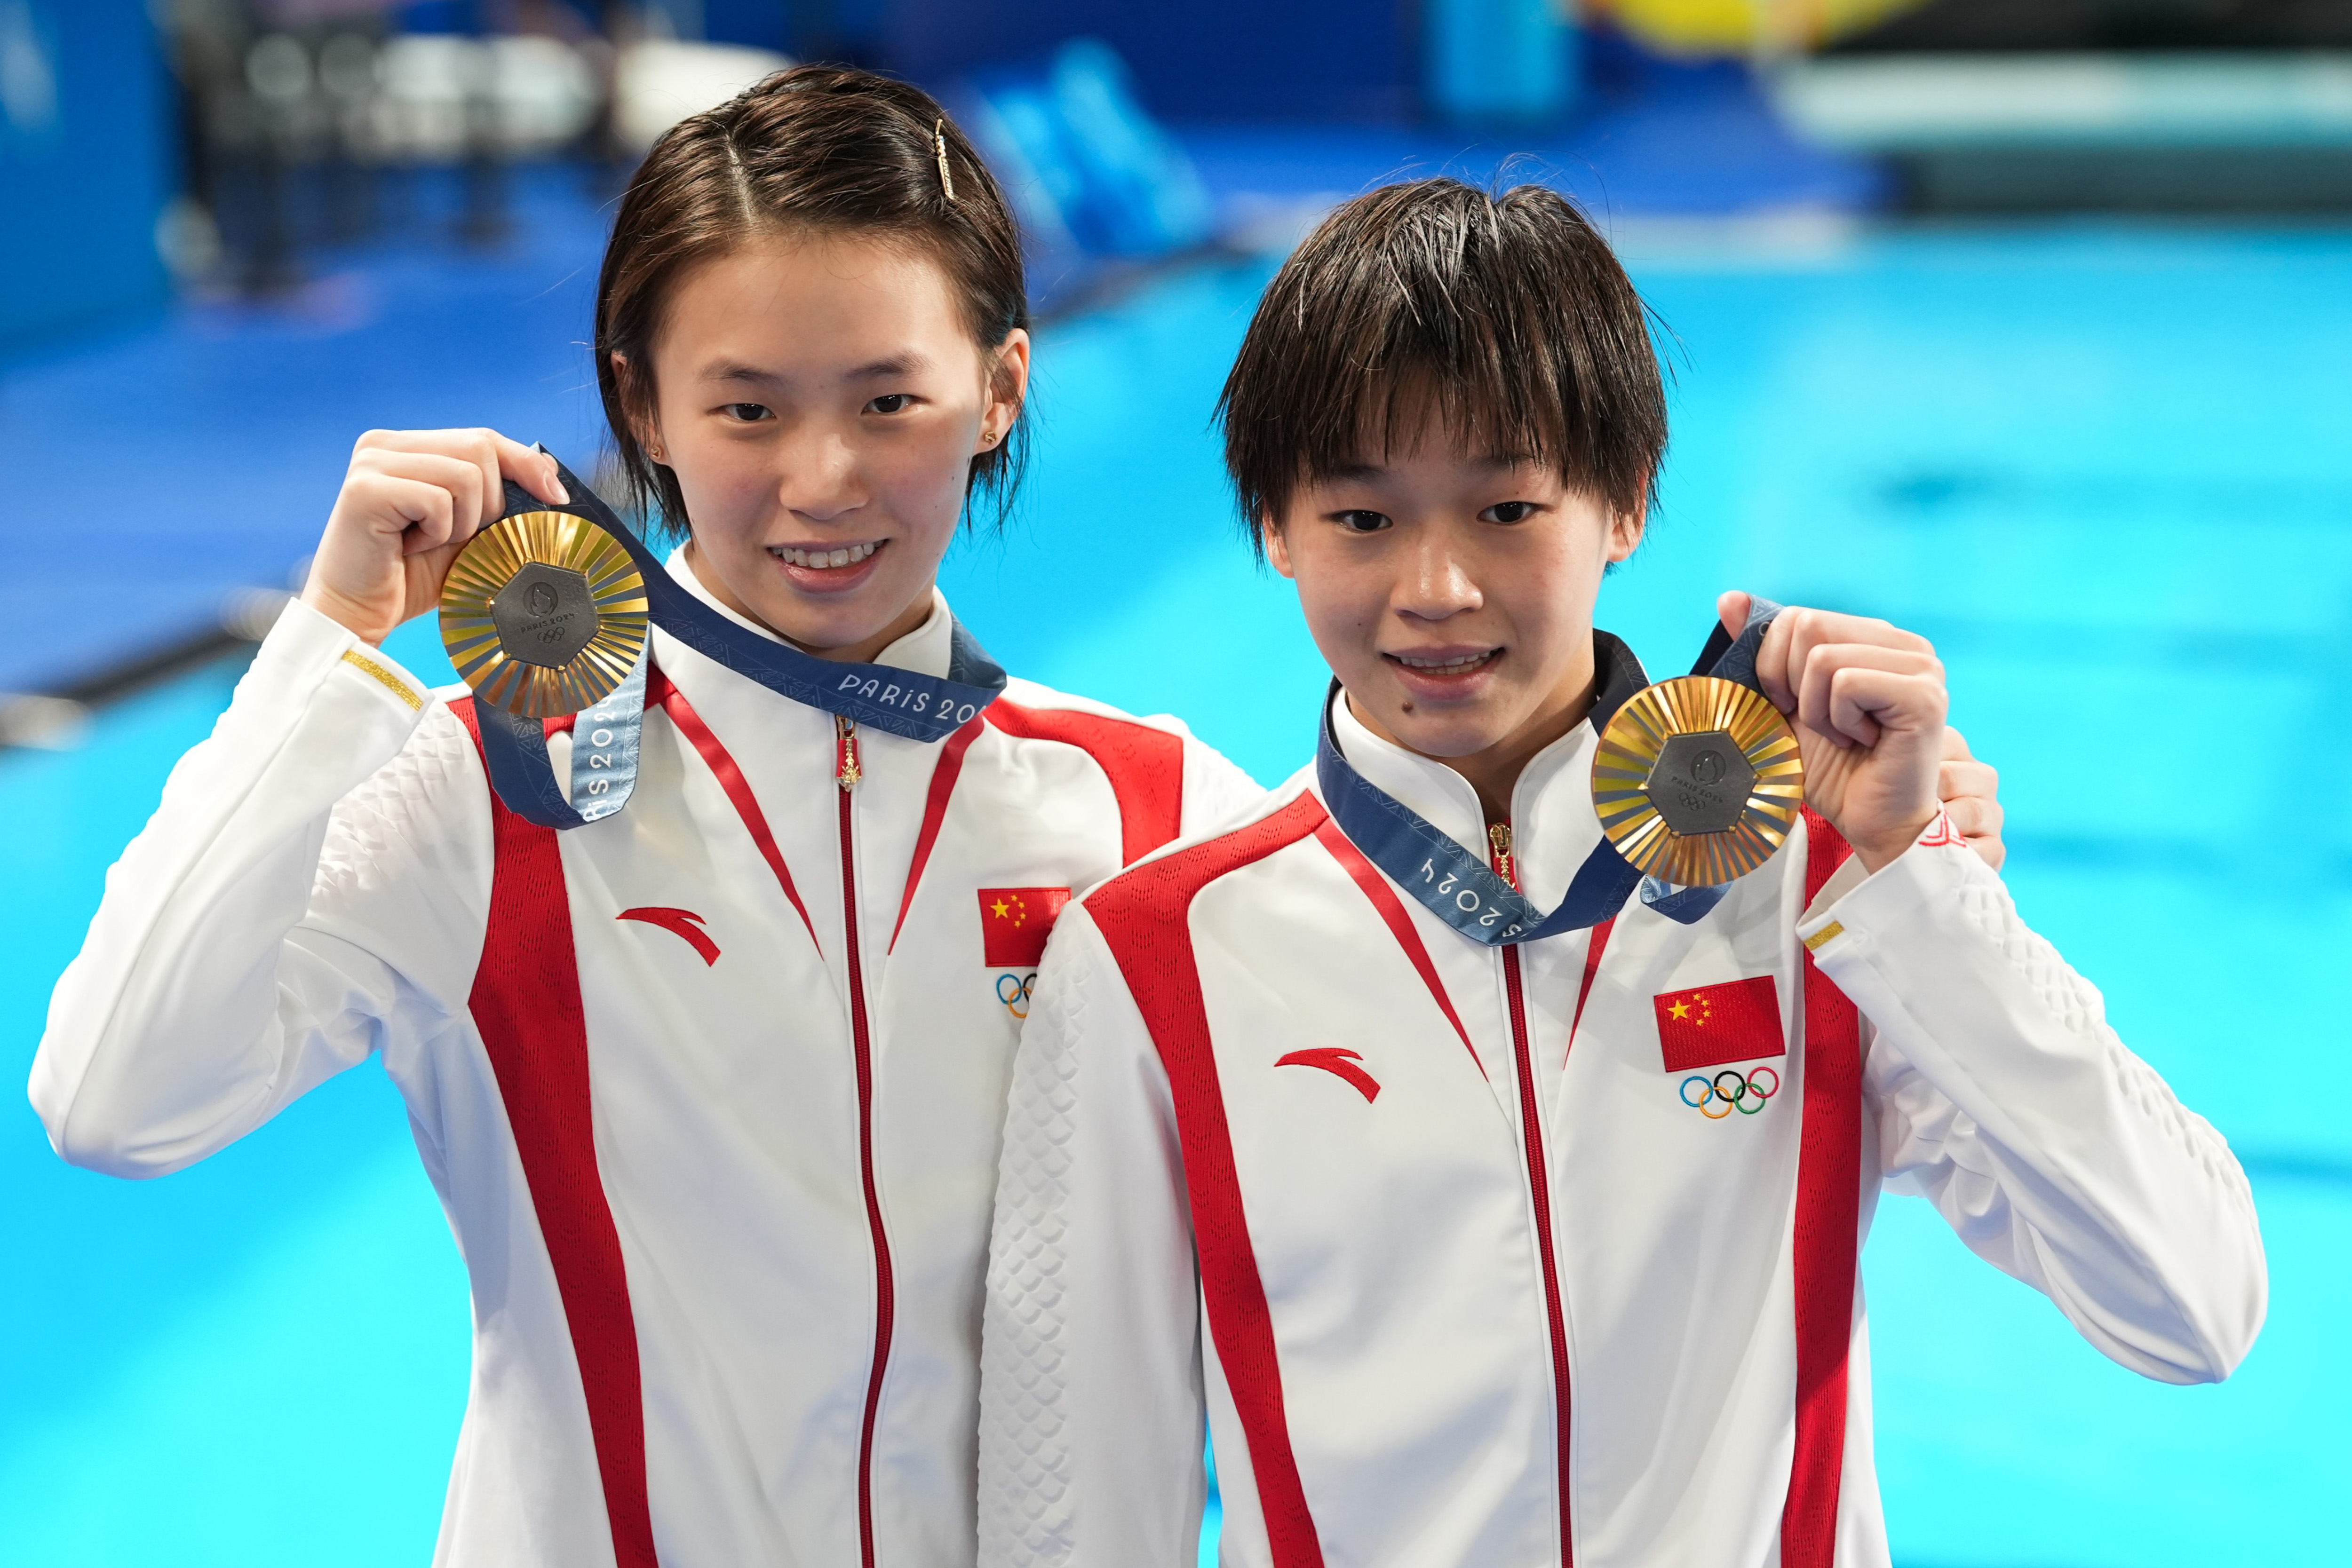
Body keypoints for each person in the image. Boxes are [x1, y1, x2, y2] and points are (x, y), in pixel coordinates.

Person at [28, 68, 1268, 1568]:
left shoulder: (1146, 808)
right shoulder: (484, 797)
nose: (825, 482)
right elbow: (116, 1100)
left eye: (891, 402)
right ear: (642, 405)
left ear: (1002, 385)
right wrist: (328, 651)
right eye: (749, 408)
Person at [975, 179, 2265, 1568]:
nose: (1439, 589)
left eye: (1508, 507)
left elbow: (2193, 1309)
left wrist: (1918, 884)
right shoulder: (1162, 956)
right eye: (1363, 518)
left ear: (1628, 503)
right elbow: (1081, 1495)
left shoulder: (1821, 896)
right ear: (1275, 529)